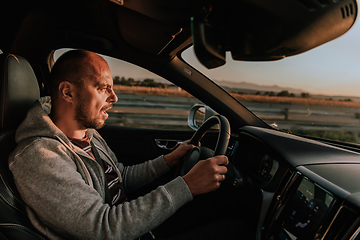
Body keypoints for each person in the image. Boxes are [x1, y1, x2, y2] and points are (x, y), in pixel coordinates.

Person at [8, 50, 232, 240]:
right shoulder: (40, 156)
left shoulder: (88, 134)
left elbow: (119, 177)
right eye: (103, 88)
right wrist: (187, 185)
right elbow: (103, 227)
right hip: (120, 229)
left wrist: (169, 160)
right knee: (233, 229)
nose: (114, 97)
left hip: (135, 226)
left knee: (221, 210)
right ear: (68, 92)